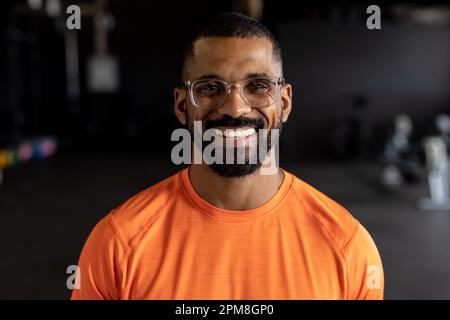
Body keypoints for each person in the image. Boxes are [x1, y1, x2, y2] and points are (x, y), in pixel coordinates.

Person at [71, 12, 384, 300]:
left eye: (258, 85)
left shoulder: (347, 248)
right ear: (182, 106)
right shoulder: (118, 245)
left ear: (284, 103)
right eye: (210, 88)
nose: (235, 107)